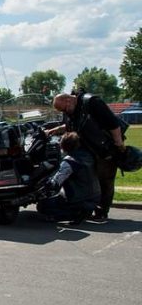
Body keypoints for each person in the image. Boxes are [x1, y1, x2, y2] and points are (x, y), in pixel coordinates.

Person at [49, 92, 126, 221]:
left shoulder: (92, 102)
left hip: (105, 150)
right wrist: (55, 130)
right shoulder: (72, 110)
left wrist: (118, 142)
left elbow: (112, 122)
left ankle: (102, 211)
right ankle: (89, 208)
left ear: (68, 100)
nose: (64, 112)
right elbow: (72, 125)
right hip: (89, 151)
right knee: (90, 180)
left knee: (105, 180)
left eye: (64, 109)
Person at [37, 132, 100, 225]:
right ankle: (86, 208)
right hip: (95, 196)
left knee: (43, 206)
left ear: (63, 146)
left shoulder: (69, 162)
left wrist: (43, 183)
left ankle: (74, 214)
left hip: (80, 198)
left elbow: (55, 183)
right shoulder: (88, 155)